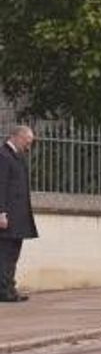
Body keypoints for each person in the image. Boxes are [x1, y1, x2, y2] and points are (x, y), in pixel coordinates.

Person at [0, 125, 37, 302]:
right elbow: (1, 186)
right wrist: (1, 212)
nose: (28, 147)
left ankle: (9, 288)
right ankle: (3, 291)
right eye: (27, 142)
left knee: (13, 254)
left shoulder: (17, 157)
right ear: (17, 137)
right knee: (5, 254)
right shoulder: (3, 156)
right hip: (7, 215)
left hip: (18, 216)